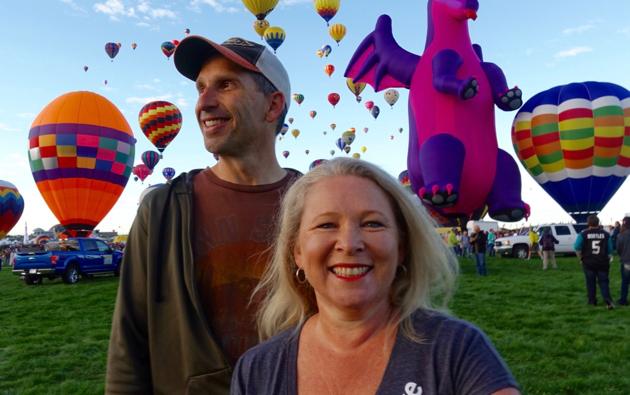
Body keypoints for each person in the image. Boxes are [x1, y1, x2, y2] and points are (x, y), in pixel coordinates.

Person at [106, 35, 299, 394]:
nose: (204, 103)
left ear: (273, 106)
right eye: (200, 89)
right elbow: (128, 345)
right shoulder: (162, 210)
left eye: (225, 85)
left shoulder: (316, 205)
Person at [232, 158, 520, 395]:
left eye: (372, 223)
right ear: (297, 252)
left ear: (401, 247)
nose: (349, 243)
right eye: (326, 225)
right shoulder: (257, 370)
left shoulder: (456, 352)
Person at [574, 215, 615, 309]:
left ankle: (592, 301)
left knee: (590, 282)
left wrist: (581, 258)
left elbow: (576, 247)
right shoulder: (606, 234)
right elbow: (610, 249)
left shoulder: (583, 234)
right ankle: (607, 298)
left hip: (589, 262)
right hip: (602, 262)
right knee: (604, 282)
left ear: (588, 223)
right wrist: (608, 258)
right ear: (598, 222)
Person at [615, 216, 630, 306]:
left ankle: (623, 300)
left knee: (625, 282)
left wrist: (623, 256)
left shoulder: (620, 236)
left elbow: (618, 249)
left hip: (626, 262)